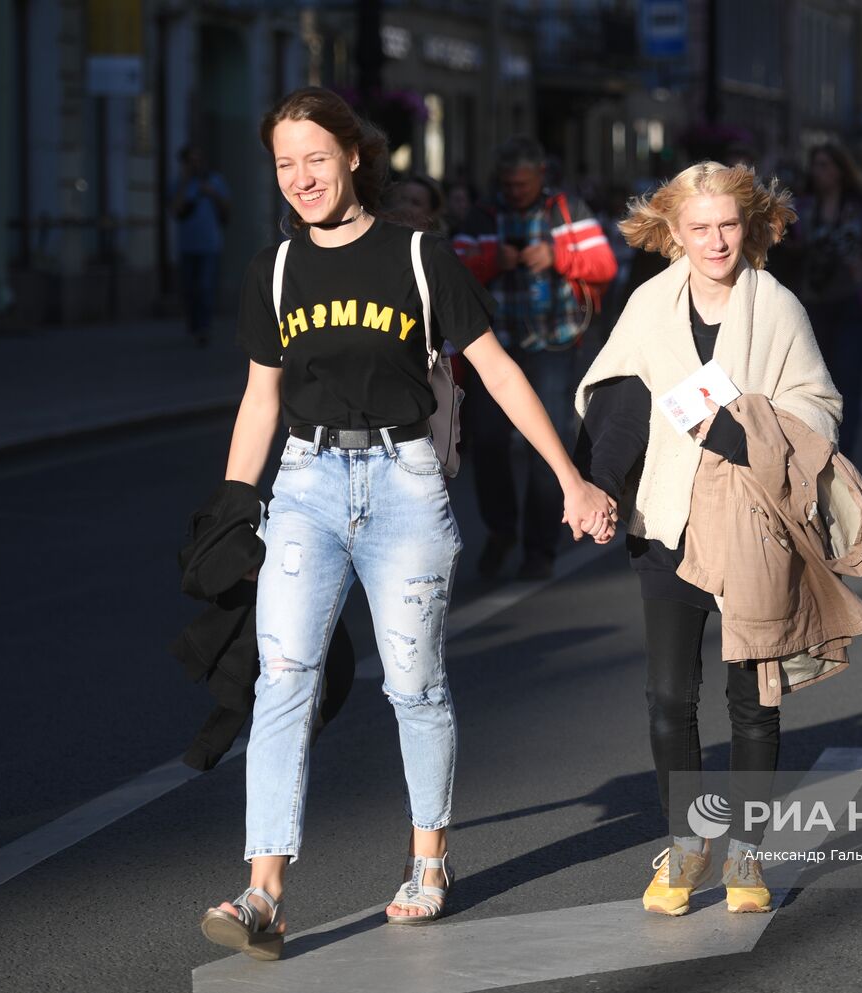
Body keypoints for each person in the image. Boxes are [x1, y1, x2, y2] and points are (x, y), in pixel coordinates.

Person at [198, 87, 616, 960]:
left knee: (413, 686)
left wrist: (572, 479)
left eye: (316, 157)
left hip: (403, 483)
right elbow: (259, 397)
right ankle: (262, 892)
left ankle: (430, 862)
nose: (302, 178)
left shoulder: (422, 257)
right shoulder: (273, 270)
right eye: (285, 164)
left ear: (354, 156)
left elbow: (499, 372)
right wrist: (235, 509)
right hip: (307, 482)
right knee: (282, 678)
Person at [574, 161, 843, 917]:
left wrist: (735, 428)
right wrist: (597, 483)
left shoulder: (778, 306)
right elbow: (619, 399)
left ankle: (748, 854)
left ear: (749, 224)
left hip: (754, 522)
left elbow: (818, 409)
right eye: (700, 227)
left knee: (751, 699)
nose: (716, 240)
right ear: (673, 233)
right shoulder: (650, 305)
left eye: (728, 224)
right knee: (670, 696)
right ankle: (689, 844)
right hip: (666, 522)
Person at [464, 136, 619, 582]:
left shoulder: (566, 210)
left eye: (523, 183)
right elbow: (452, 267)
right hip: (493, 345)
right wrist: (497, 258)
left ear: (540, 178)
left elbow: (604, 265)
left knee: (547, 446)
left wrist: (556, 256)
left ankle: (539, 547)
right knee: (489, 442)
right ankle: (500, 531)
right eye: (509, 184)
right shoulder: (483, 215)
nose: (515, 191)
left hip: (554, 344)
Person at [792, 143, 862, 456]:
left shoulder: (860, 207)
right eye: (816, 165)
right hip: (813, 304)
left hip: (853, 304)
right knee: (815, 380)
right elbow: (787, 248)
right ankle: (818, 444)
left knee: (847, 381)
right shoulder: (803, 207)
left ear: (840, 170)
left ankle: (842, 450)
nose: (819, 172)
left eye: (826, 165)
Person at [171, 144, 231, 347]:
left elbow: (227, 210)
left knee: (205, 287)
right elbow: (175, 210)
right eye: (191, 161)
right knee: (189, 289)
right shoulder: (179, 183)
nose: (196, 165)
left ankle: (204, 328)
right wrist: (186, 183)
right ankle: (193, 325)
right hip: (186, 245)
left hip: (210, 245)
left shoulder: (215, 181)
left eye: (198, 160)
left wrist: (212, 193)